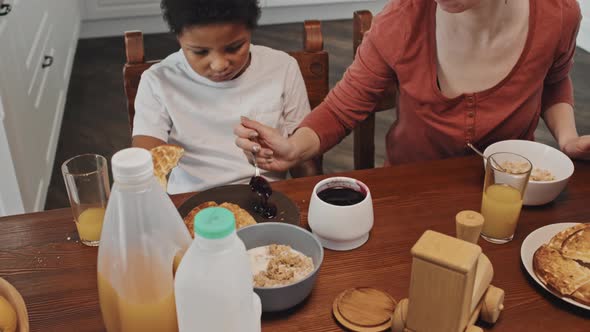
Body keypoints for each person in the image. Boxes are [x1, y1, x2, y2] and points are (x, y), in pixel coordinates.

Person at [234, 0, 590, 172]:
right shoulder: (401, 22)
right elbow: (342, 110)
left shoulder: (558, 15)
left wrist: (567, 138)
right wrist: (294, 147)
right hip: (413, 192)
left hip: (510, 191)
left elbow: (554, 79)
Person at [132, 0, 318, 194]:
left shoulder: (282, 68)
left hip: (266, 195)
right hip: (191, 198)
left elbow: (301, 155)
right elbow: (146, 161)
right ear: (179, 37)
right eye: (200, 52)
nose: (219, 65)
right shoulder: (158, 81)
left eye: (234, 48)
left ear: (250, 30)